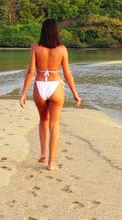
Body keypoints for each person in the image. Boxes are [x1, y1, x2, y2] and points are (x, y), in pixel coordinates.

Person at [19, 19, 81, 171]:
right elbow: (67, 74)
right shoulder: (62, 49)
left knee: (43, 120)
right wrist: (75, 93)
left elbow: (30, 72)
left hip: (40, 85)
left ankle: (43, 153)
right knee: (54, 125)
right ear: (56, 31)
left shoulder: (35, 47)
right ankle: (51, 163)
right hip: (55, 86)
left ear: (43, 30)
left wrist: (24, 93)